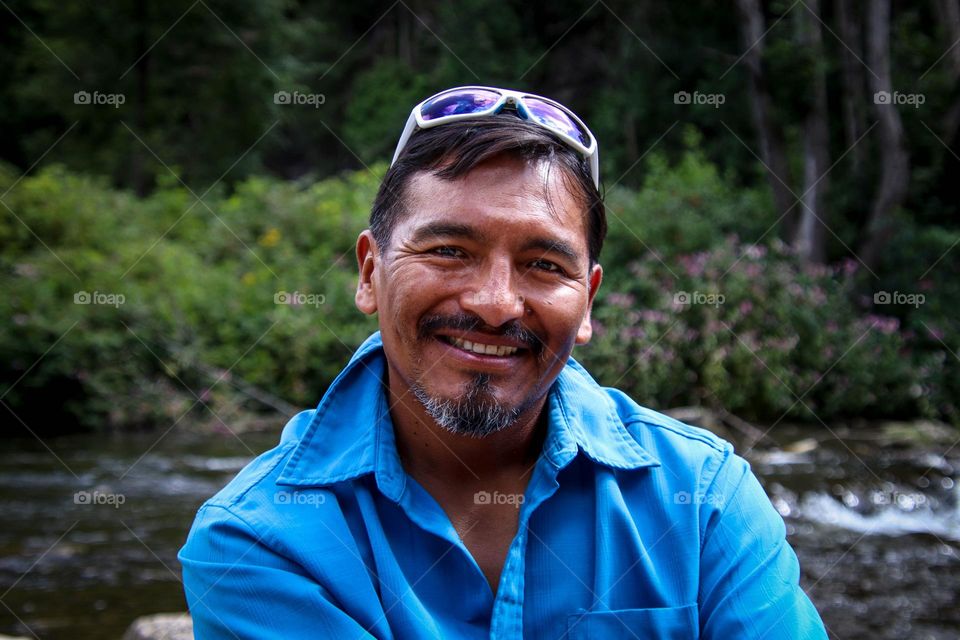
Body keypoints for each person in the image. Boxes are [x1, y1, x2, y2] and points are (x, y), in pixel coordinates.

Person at [179, 86, 828, 639]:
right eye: (448, 250)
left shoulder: (704, 500)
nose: (494, 304)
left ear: (589, 302)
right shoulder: (258, 544)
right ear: (370, 273)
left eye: (544, 265)